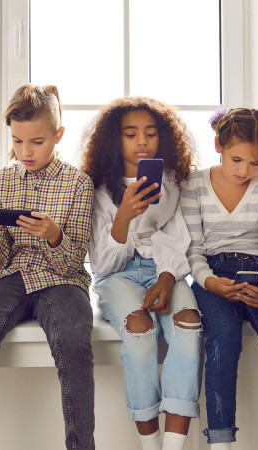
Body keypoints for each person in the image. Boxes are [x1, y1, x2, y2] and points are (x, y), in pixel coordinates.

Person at [0, 84, 95, 450]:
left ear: (58, 135)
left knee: (74, 344)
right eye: (17, 141)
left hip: (62, 280)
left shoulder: (78, 184)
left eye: (37, 141)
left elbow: (73, 261)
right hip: (12, 275)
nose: (26, 151)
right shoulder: (1, 181)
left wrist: (53, 235)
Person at [81, 96, 202, 450]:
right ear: (113, 139)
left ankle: (174, 446)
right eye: (130, 133)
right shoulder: (98, 187)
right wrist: (124, 216)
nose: (142, 141)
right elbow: (102, 264)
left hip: (166, 270)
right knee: (139, 330)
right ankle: (151, 445)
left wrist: (167, 276)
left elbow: (180, 234)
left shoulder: (173, 181)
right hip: (117, 275)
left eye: (150, 133)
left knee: (189, 325)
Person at [182, 108, 258, 450]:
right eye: (236, 160)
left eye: (255, 163)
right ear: (218, 146)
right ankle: (221, 444)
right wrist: (208, 282)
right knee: (223, 340)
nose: (244, 171)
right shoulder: (193, 184)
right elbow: (191, 249)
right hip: (211, 274)